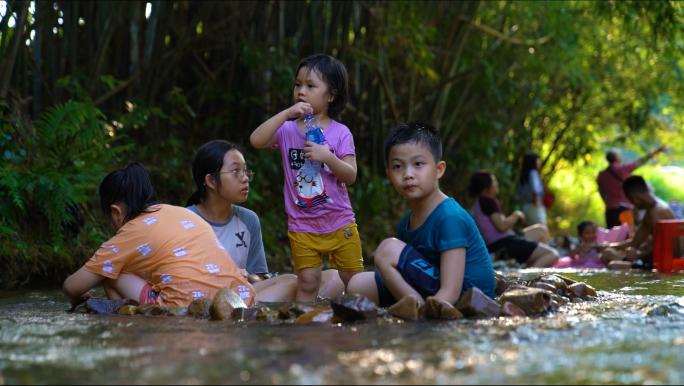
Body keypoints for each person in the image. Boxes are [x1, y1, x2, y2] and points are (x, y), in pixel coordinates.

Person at [62, 163, 256, 308]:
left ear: (115, 212)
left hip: (182, 310)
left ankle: (128, 331)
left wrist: (79, 298)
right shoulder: (184, 213)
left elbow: (71, 287)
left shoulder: (128, 234)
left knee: (111, 274)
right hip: (238, 301)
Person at [250, 54, 363, 301]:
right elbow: (256, 140)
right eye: (297, 84)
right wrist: (286, 114)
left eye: (310, 86)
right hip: (302, 225)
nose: (301, 91)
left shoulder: (340, 132)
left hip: (339, 222)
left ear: (330, 95)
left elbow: (351, 175)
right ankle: (304, 331)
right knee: (308, 283)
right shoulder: (287, 130)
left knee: (355, 281)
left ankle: (359, 328)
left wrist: (328, 157)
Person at [346, 122, 495, 309]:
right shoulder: (406, 223)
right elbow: (405, 272)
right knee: (357, 284)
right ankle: (412, 306)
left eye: (418, 164)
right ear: (389, 174)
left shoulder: (450, 217)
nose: (408, 174)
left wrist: (430, 316)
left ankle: (418, 312)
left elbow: (451, 291)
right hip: (430, 286)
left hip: (468, 298)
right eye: (398, 166)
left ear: (439, 169)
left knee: (386, 250)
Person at [185, 139, 344, 301]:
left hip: (241, 292)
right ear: (211, 181)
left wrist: (247, 277)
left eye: (245, 171)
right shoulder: (186, 221)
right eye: (235, 172)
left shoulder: (249, 220)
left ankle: (302, 309)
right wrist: (227, 275)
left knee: (334, 277)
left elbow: (260, 277)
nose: (245, 178)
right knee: (290, 284)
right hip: (205, 297)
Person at [468, 170, 559, 267]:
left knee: (541, 230)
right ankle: (528, 275)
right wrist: (516, 215)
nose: (496, 183)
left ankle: (533, 261)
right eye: (494, 181)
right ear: (486, 188)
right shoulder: (488, 202)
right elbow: (502, 226)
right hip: (504, 245)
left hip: (504, 241)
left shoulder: (478, 204)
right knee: (553, 254)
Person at [601, 175, 675, 269]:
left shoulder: (658, 212)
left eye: (630, 200)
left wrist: (639, 255)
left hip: (662, 262)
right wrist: (608, 246)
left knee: (614, 265)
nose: (632, 204)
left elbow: (665, 249)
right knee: (607, 252)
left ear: (633, 196)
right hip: (652, 258)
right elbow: (634, 242)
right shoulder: (650, 211)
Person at [597, 146, 666, 228]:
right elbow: (640, 161)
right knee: (628, 233)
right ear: (617, 158)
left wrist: (607, 202)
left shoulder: (601, 175)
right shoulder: (623, 169)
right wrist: (656, 151)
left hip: (610, 210)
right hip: (625, 209)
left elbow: (601, 191)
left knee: (613, 233)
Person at [517, 152, 547, 226]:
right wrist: (538, 204)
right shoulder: (533, 173)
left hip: (525, 207)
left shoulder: (523, 175)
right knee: (541, 230)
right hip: (534, 206)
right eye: (538, 160)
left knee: (530, 231)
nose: (539, 162)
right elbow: (535, 190)